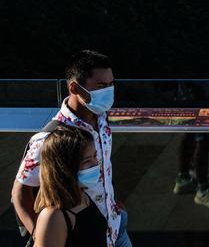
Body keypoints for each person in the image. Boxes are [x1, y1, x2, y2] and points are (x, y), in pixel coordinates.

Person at [12, 50, 131, 247]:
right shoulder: (50, 138)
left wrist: (112, 203)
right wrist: (42, 234)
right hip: (83, 235)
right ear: (75, 87)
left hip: (116, 229)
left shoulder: (101, 118)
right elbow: (20, 193)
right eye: (101, 86)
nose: (109, 91)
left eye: (111, 84)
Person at [32, 125, 107, 247]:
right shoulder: (53, 217)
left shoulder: (82, 196)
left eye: (95, 156)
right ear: (66, 168)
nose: (95, 164)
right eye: (87, 161)